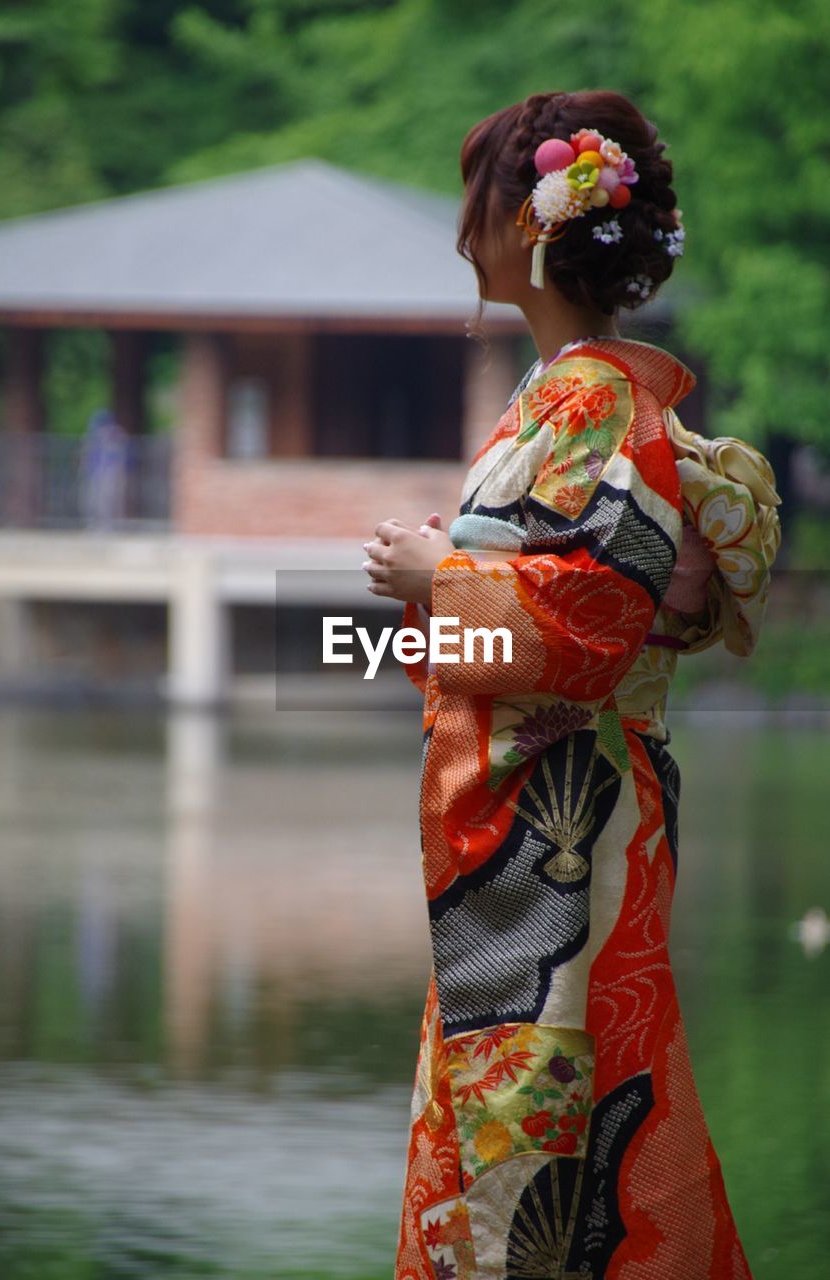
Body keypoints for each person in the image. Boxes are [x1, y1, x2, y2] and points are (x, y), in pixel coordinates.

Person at [362, 89, 781, 1279]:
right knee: (542, 1086)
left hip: (567, 820)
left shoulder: (590, 399)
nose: (461, 230)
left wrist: (437, 572)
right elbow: (591, 593)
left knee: (551, 1093)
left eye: (477, 201)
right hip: (550, 812)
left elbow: (592, 622)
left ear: (532, 224)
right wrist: (438, 593)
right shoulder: (564, 396)